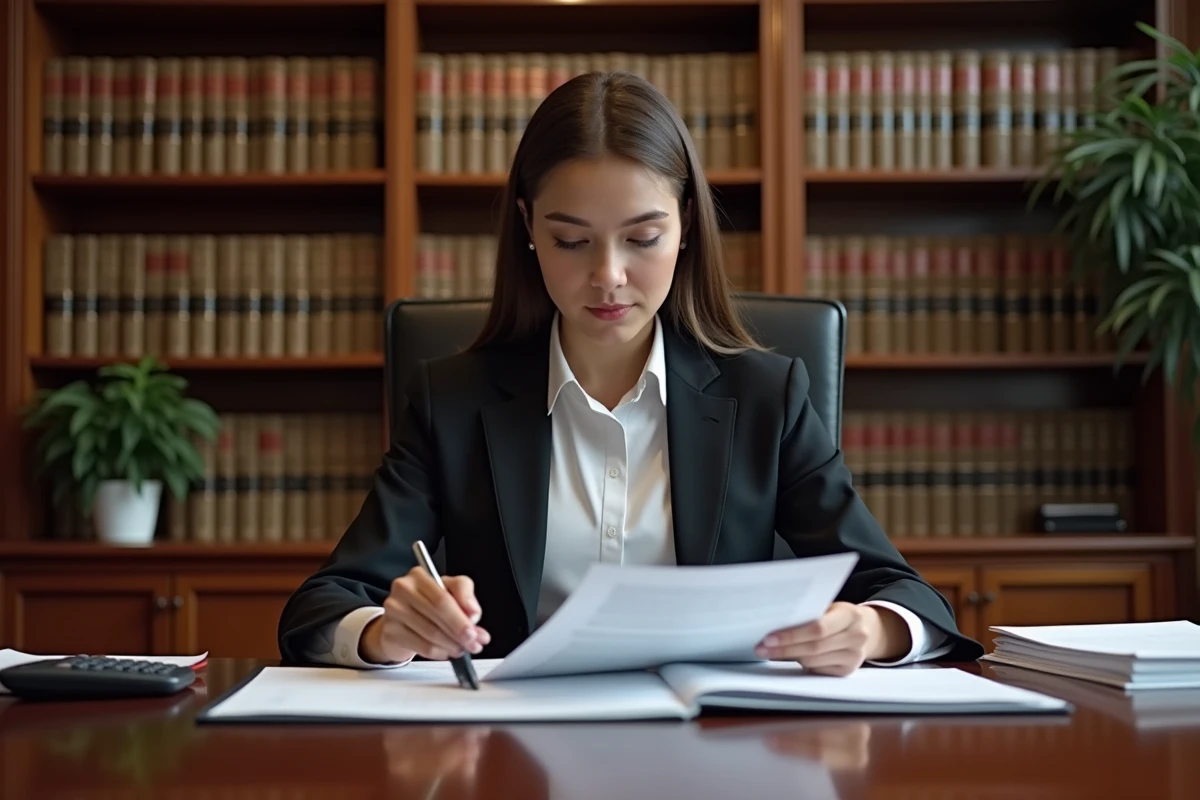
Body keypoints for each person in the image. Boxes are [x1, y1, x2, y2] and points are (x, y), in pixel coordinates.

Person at [277, 71, 984, 677]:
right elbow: (324, 603)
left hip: (717, 754)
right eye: (571, 240)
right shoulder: (452, 402)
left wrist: (872, 630)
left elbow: (907, 595)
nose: (608, 276)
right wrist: (384, 631)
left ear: (685, 228)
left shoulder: (766, 398)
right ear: (527, 228)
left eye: (642, 238)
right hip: (510, 753)